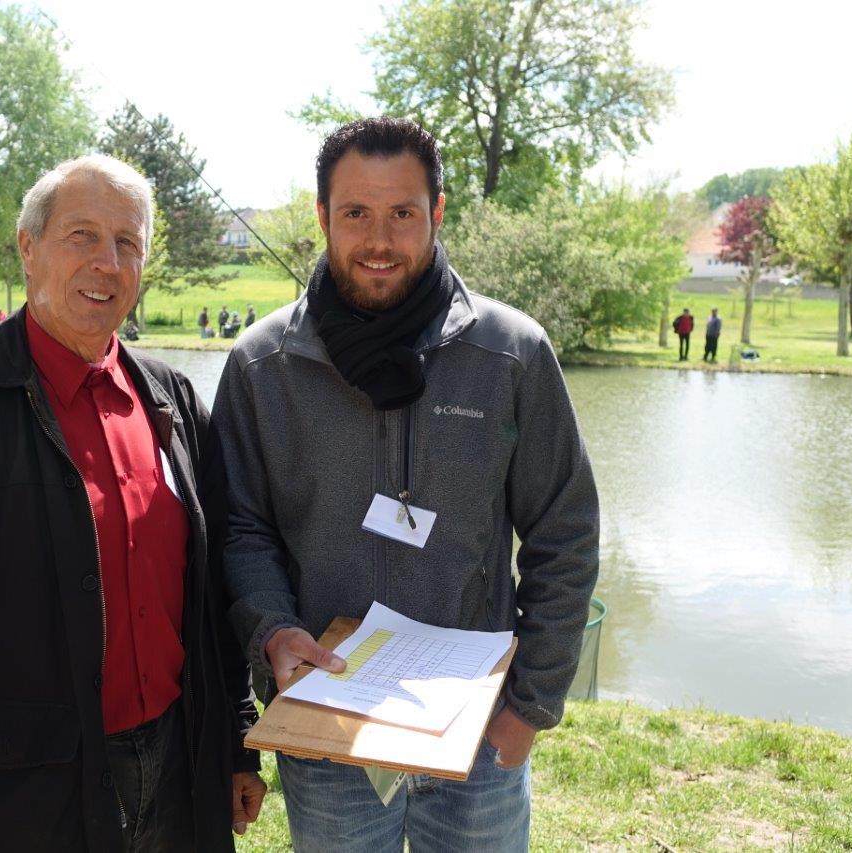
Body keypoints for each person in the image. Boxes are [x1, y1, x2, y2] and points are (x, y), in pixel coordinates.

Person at [0, 154, 265, 853]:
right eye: (83, 236)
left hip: (178, 774)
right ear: (29, 249)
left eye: (128, 243)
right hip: (22, 800)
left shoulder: (175, 402)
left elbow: (208, 594)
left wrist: (236, 742)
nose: (107, 262)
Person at [213, 117, 599, 852]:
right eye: (356, 213)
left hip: (477, 736)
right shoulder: (263, 365)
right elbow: (240, 527)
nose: (379, 240)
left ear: (438, 213)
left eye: (403, 214)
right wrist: (271, 631)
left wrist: (530, 705)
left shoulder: (511, 354)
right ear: (322, 216)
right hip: (325, 729)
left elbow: (565, 533)